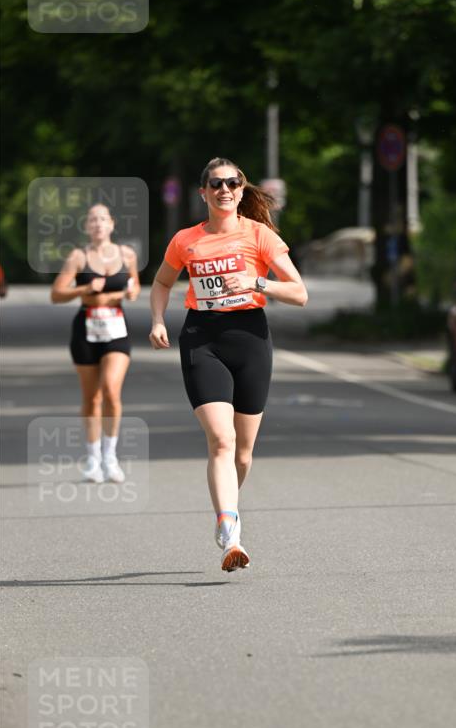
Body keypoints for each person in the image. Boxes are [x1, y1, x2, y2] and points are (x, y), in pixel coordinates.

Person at [149, 157, 307, 572]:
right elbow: (163, 281)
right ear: (203, 192)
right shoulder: (186, 240)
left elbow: (299, 292)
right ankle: (230, 531)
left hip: (250, 339)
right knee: (221, 440)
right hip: (203, 338)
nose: (224, 189)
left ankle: (228, 508)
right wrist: (157, 320)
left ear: (241, 190)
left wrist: (257, 282)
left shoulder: (260, 236)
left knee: (243, 454)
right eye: (216, 184)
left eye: (232, 183)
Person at [51, 203, 140, 483]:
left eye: (103, 219)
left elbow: (135, 284)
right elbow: (57, 294)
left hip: (116, 326)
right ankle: (92, 459)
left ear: (112, 224)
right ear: (87, 227)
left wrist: (132, 291)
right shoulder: (78, 257)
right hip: (86, 327)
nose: (98, 224)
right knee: (92, 398)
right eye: (93, 220)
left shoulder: (127, 254)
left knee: (111, 391)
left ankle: (110, 456)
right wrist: (85, 288)